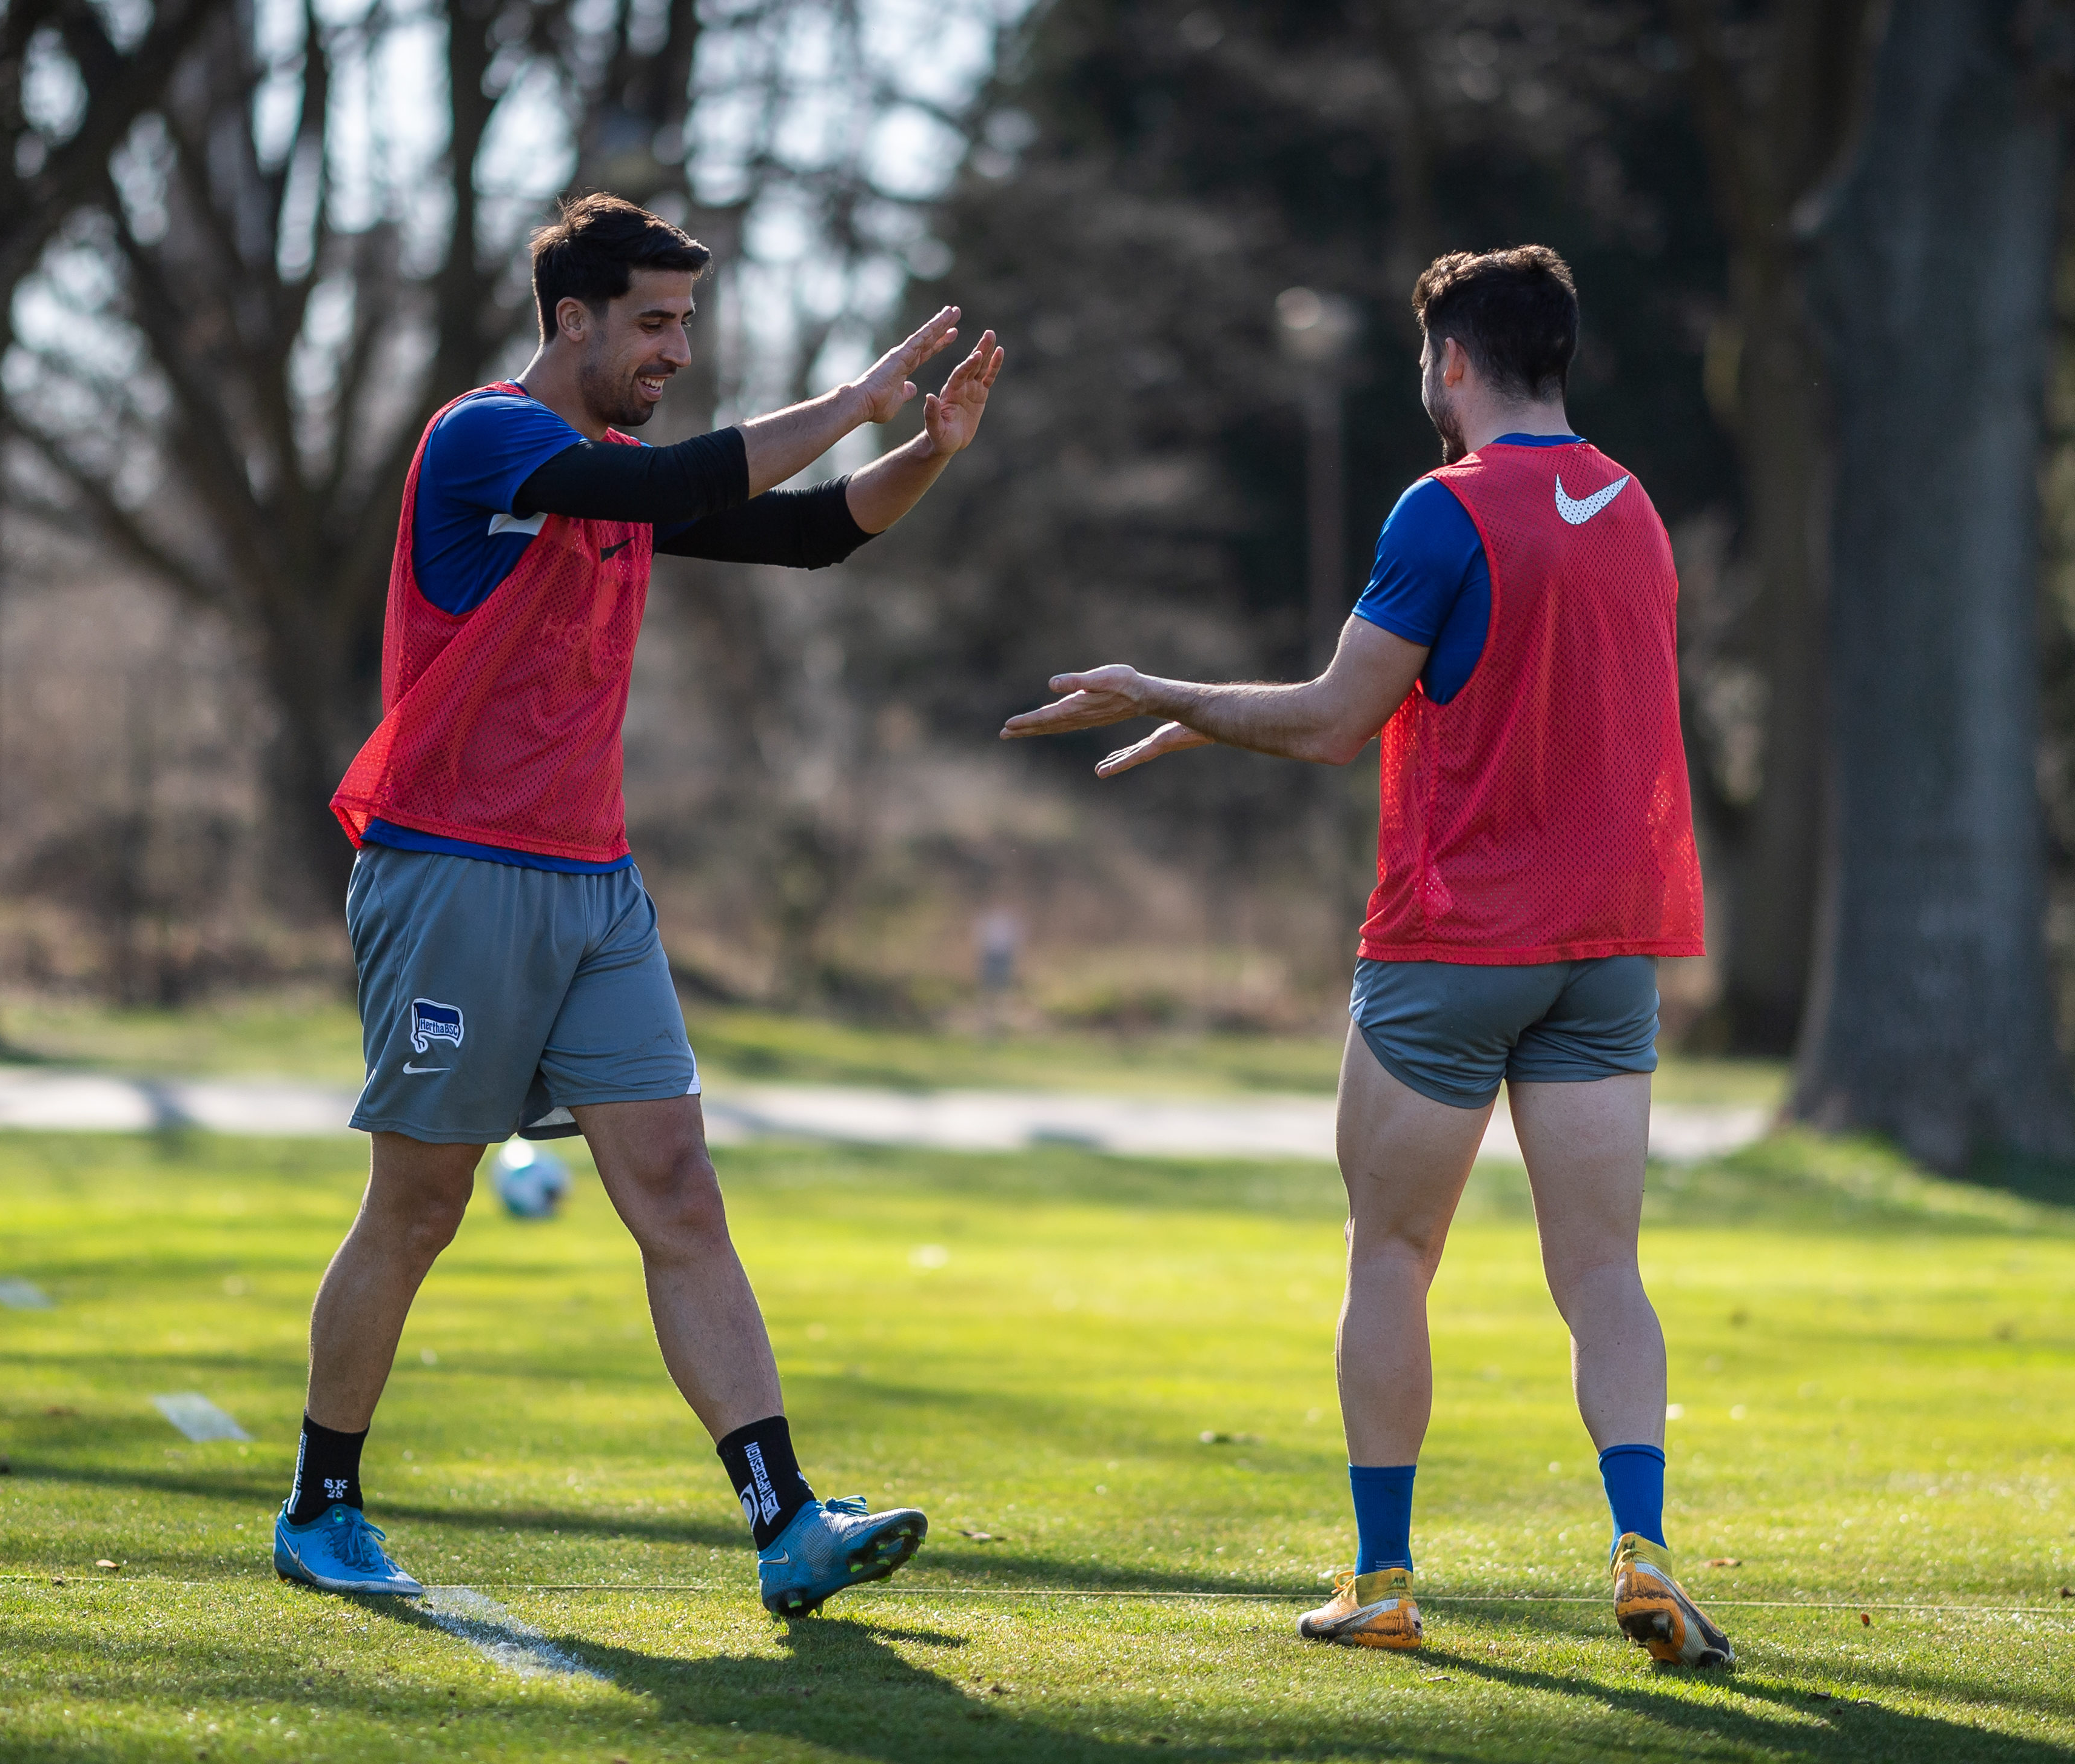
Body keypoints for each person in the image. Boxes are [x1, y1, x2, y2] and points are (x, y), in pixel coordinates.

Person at [276, 192, 1004, 1618]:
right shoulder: (489, 440)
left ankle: (786, 1518)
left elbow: (809, 537)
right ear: (573, 318)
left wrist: (922, 447)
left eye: (686, 322)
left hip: (593, 884)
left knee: (677, 1187)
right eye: (655, 322)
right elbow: (683, 491)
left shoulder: (605, 472)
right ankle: (320, 1502)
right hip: (453, 870)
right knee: (419, 1206)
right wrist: (855, 396)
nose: (676, 348)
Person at [1003, 246, 1732, 1668]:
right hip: (1609, 949)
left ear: (1449, 361)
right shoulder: (1634, 512)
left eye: (1421, 363)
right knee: (1600, 1268)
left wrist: (1174, 691)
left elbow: (1340, 716)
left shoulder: (1442, 506)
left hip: (1453, 945)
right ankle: (1640, 1545)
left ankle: (1384, 1580)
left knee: (1391, 1251)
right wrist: (1218, 712)